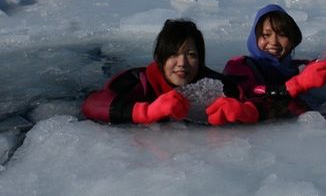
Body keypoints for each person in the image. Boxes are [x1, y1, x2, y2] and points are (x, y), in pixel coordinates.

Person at [82, 18, 257, 125]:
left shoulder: (217, 85)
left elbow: (262, 102)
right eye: (173, 54)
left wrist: (246, 112)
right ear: (160, 57)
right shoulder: (138, 81)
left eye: (191, 55)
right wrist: (147, 112)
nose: (182, 63)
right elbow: (92, 104)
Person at [215, 4, 326, 122]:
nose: (274, 42)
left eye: (282, 35)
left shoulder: (302, 68)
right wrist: (296, 85)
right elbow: (246, 93)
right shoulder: (239, 66)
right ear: (254, 38)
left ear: (291, 40)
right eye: (266, 35)